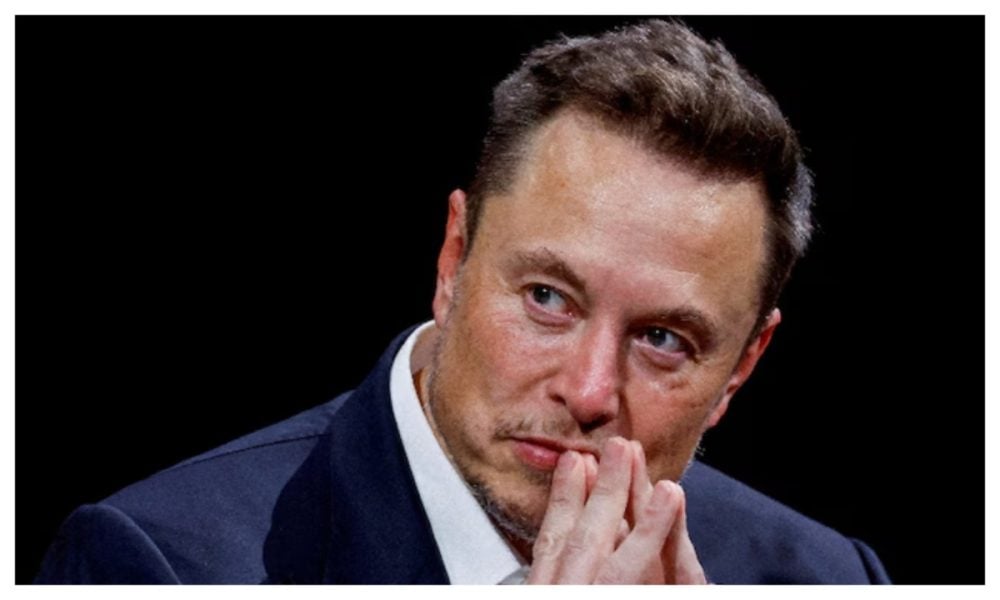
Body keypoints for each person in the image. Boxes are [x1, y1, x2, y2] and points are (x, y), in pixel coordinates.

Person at [35, 19, 890, 584]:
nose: (590, 391)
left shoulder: (823, 579)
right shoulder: (156, 564)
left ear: (741, 367)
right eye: (548, 297)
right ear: (453, 260)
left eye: (664, 338)